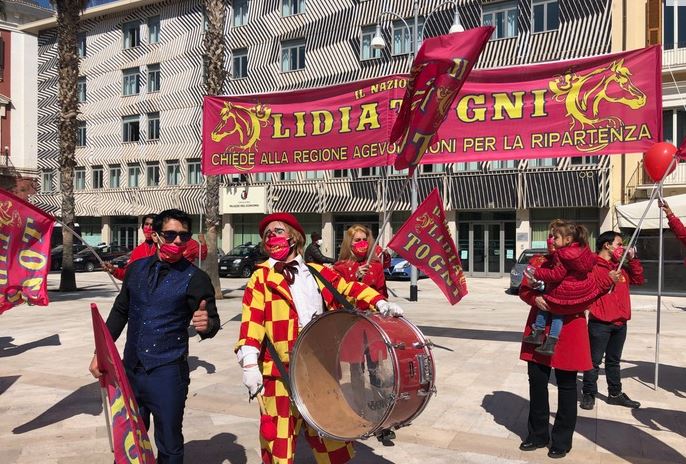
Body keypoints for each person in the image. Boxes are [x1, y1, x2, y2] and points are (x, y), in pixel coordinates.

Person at [235, 212, 404, 464]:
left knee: (330, 434)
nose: (271, 237)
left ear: (294, 237)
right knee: (279, 440)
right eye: (267, 234)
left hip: (319, 369)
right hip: (279, 372)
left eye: (278, 231)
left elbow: (349, 288)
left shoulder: (316, 273)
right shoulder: (261, 278)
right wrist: (249, 364)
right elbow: (252, 323)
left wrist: (379, 301)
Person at [89, 208, 220, 464]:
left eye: (184, 236)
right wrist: (99, 353)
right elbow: (120, 311)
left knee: (169, 444)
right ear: (156, 236)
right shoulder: (136, 270)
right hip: (130, 370)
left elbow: (212, 320)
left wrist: (207, 325)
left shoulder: (196, 278)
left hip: (168, 372)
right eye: (171, 235)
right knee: (128, 439)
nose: (178, 242)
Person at [518, 250, 593, 459]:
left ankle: (562, 440)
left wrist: (565, 302)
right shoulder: (538, 261)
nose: (554, 240)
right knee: (536, 381)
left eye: (559, 237)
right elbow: (524, 289)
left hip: (569, 329)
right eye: (552, 235)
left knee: (567, 386)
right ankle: (537, 434)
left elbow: (592, 295)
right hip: (539, 330)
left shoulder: (582, 264)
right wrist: (535, 298)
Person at [580, 231, 644, 411]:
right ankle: (588, 393)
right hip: (600, 322)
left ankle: (615, 393)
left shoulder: (621, 266)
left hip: (620, 322)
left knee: (614, 361)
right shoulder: (593, 265)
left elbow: (639, 279)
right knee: (593, 361)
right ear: (607, 245)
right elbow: (590, 289)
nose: (621, 248)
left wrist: (633, 259)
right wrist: (609, 279)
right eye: (618, 244)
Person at [523, 221, 597, 356]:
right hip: (576, 293)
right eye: (550, 237)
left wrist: (537, 272)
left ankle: (538, 332)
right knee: (558, 313)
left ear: (568, 239)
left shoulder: (562, 254)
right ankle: (550, 341)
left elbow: (556, 274)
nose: (552, 241)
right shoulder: (584, 252)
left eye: (555, 237)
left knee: (546, 306)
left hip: (561, 292)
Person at [333, 224, 388, 301]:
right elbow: (339, 295)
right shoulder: (340, 267)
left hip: (373, 310)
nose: (362, 243)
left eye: (365, 240)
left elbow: (382, 293)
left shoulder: (376, 265)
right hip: (351, 311)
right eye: (357, 240)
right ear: (349, 243)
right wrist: (355, 277)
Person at [103, 213, 157, 280]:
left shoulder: (164, 248)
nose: (148, 228)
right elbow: (128, 274)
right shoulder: (137, 250)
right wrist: (113, 270)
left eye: (152, 225)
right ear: (142, 227)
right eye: (146, 224)